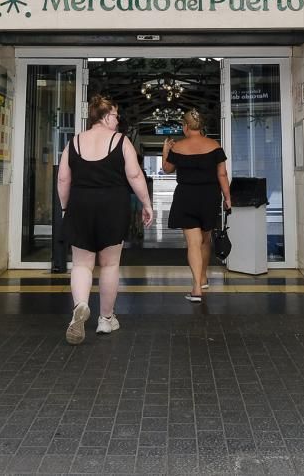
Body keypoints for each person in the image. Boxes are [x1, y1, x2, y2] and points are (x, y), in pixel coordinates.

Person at [56, 95, 154, 344]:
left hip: (80, 204)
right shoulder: (120, 141)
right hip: (112, 205)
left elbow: (63, 179)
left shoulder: (74, 142)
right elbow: (134, 175)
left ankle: (80, 307)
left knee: (81, 264)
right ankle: (106, 319)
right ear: (106, 116)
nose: (118, 120)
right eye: (116, 115)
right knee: (110, 265)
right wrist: (146, 204)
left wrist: (66, 206)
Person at [162, 110, 231, 301]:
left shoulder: (179, 147)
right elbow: (222, 175)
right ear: (202, 127)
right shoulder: (214, 146)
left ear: (185, 127)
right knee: (205, 240)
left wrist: (165, 149)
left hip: (186, 195)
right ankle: (202, 278)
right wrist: (228, 197)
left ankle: (196, 289)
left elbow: (167, 169)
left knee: (193, 243)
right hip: (209, 196)